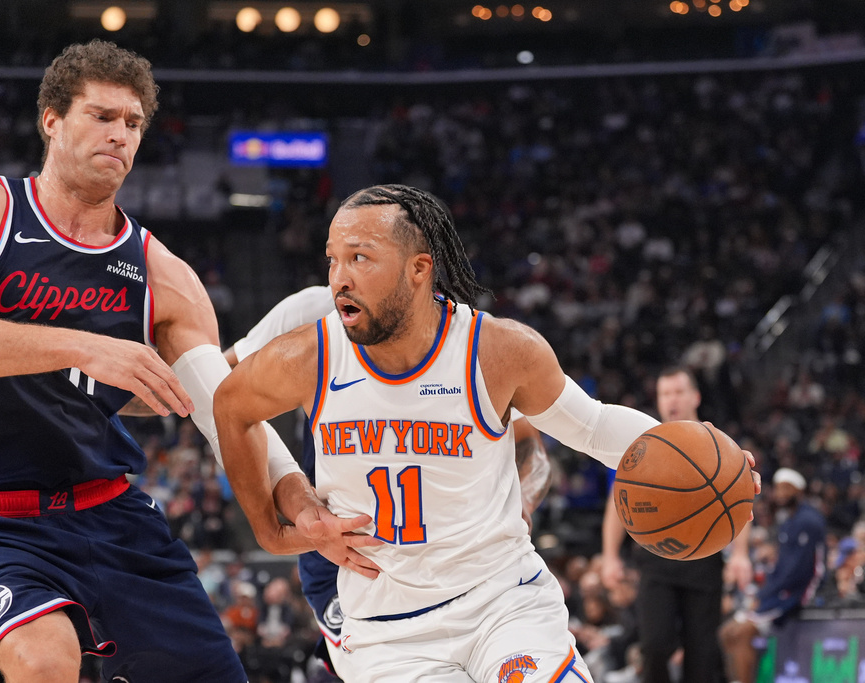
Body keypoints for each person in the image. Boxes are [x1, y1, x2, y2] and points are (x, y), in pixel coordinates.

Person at [0, 40, 362, 683]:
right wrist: (80, 344)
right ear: (51, 120)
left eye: (133, 123)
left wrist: (299, 505)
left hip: (112, 514)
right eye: (102, 116)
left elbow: (223, 410)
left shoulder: (163, 274)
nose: (120, 135)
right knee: (45, 661)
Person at [214, 183, 762, 682]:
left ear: (418, 269)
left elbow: (593, 425)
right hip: (387, 630)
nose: (339, 277)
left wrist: (702, 455)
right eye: (333, 260)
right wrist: (269, 527)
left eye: (360, 258)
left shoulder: (496, 350)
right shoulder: (311, 354)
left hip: (504, 601)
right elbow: (229, 406)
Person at [225, 284, 554, 681]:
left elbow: (531, 451)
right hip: (350, 556)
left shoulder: (467, 341)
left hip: (452, 559)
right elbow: (220, 390)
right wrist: (294, 497)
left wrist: (522, 503)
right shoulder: (311, 311)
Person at [601, 366, 753, 683]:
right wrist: (610, 556)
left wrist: (740, 554)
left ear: (695, 397)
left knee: (702, 656)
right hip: (655, 560)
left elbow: (739, 502)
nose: (672, 400)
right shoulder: (645, 446)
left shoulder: (716, 444)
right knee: (654, 645)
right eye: (665, 393)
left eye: (678, 392)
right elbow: (619, 502)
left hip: (704, 559)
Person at [718, 468, 826, 683]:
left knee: (742, 632)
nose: (780, 494)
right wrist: (764, 594)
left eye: (786, 488)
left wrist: (764, 595)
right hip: (780, 592)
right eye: (778, 488)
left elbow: (800, 572)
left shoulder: (809, 520)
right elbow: (782, 569)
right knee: (726, 633)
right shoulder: (788, 521)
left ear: (800, 490)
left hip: (799, 593)